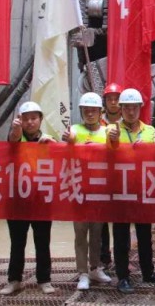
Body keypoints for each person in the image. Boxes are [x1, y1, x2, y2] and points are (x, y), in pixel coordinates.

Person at [106, 88, 155, 292]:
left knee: (145, 234)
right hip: (120, 190)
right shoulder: (112, 130)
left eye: (134, 108)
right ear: (121, 109)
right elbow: (106, 154)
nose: (131, 112)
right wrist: (113, 141)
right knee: (121, 236)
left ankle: (148, 272)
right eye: (127, 108)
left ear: (140, 108)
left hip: (142, 189)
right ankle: (123, 277)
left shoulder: (149, 131)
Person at [1, 101, 57, 295]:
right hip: (17, 201)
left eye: (34, 118)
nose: (30, 122)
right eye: (26, 119)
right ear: (20, 120)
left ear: (40, 119)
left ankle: (44, 280)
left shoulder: (49, 140)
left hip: (41, 200)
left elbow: (61, 163)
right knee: (17, 242)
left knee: (42, 242)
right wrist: (15, 130)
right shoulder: (16, 137)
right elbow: (13, 139)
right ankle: (14, 280)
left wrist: (55, 148)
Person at [62, 92, 113, 290]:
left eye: (93, 110)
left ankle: (95, 267)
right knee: (81, 232)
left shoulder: (108, 132)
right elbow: (64, 153)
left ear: (100, 112)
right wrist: (68, 142)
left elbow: (115, 155)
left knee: (97, 233)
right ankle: (82, 272)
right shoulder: (74, 130)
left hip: (99, 189)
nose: (90, 114)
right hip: (79, 189)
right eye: (86, 110)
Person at [99, 82, 123, 269]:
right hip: (101, 177)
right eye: (110, 99)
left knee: (121, 221)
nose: (113, 102)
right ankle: (104, 258)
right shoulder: (97, 122)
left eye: (116, 99)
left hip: (122, 178)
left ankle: (122, 258)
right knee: (101, 221)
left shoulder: (129, 121)